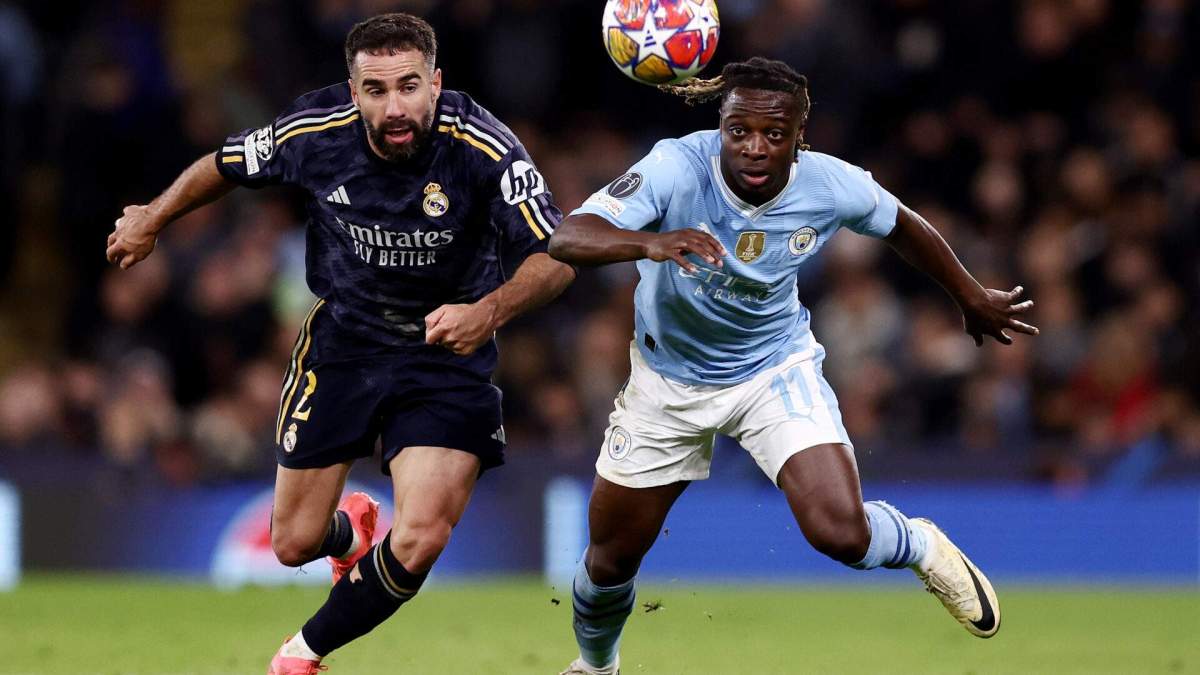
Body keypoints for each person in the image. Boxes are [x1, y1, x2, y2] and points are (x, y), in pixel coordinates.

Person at [105, 13, 575, 675]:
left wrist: (487, 310)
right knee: (293, 542)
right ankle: (347, 533)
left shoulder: (484, 146)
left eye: (409, 86)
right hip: (345, 344)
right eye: (377, 90)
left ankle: (299, 655)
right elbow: (225, 164)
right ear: (353, 93)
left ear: (436, 83)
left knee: (421, 533)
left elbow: (555, 254)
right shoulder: (314, 132)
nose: (396, 105)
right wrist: (152, 218)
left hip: (446, 354)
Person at [548, 57, 1037, 674]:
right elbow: (569, 236)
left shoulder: (831, 184)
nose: (754, 148)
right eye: (739, 131)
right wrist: (650, 242)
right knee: (608, 561)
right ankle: (596, 666)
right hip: (666, 383)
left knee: (841, 533)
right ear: (720, 125)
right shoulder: (676, 165)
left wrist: (968, 294)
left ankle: (919, 544)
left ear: (798, 137)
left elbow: (903, 226)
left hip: (771, 371)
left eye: (774, 136)